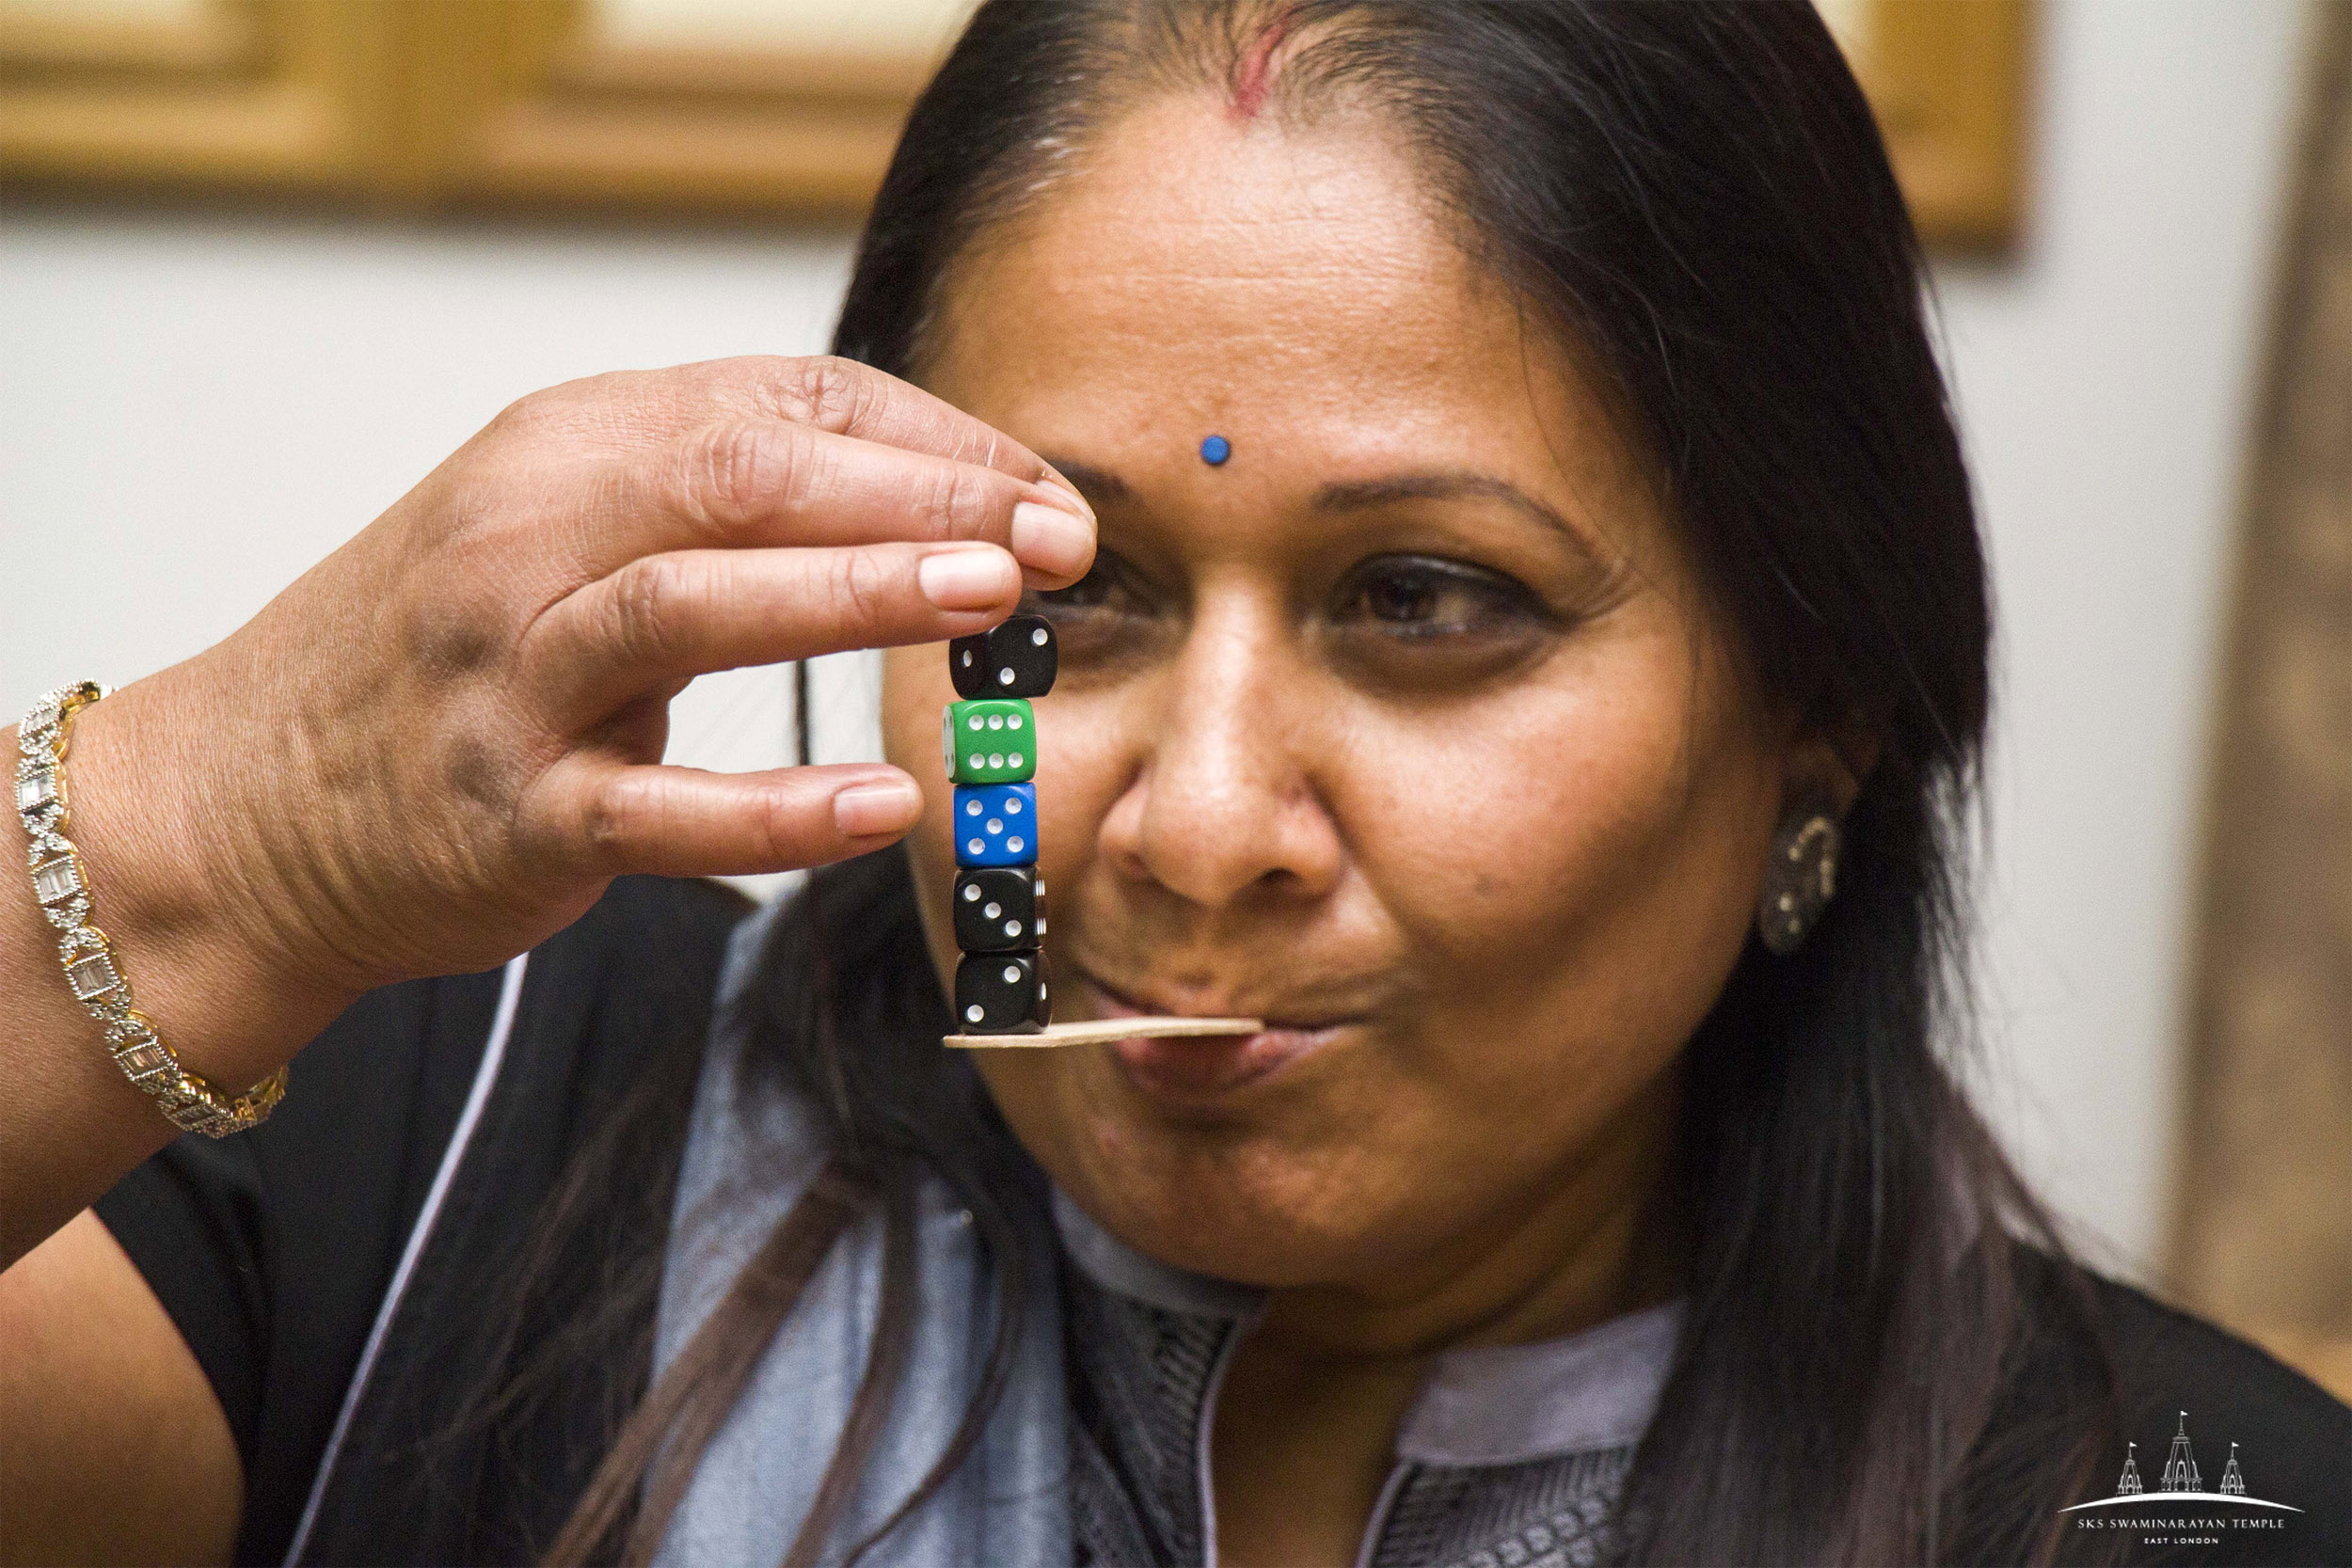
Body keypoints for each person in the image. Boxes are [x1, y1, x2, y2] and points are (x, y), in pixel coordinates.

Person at [3, 4, 2346, 1565]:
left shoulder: (2179, 1508)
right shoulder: (451, 1108)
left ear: (1815, 703)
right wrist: (208, 836)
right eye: (1057, 600)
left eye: (1427, 603)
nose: (1195, 823)